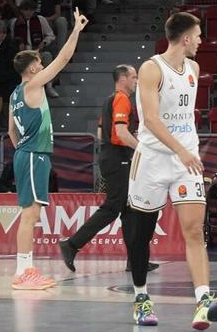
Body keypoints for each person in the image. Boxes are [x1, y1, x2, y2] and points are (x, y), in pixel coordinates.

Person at [123, 12, 217, 328]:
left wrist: (186, 151)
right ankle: (141, 298)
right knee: (141, 236)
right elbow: (151, 121)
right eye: (198, 35)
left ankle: (202, 300)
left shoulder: (194, 68)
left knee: (195, 230)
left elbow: (181, 114)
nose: (200, 40)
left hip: (186, 161)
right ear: (185, 38)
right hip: (153, 159)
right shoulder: (151, 69)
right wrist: (180, 150)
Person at [8, 5, 88, 290]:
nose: (43, 66)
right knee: (30, 216)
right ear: (32, 68)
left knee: (31, 214)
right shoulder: (32, 86)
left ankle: (25, 269)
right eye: (40, 64)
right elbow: (64, 59)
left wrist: (24, 150)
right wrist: (76, 30)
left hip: (27, 154)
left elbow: (10, 131)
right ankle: (23, 272)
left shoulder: (15, 94)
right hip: (32, 155)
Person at [59, 64, 157, 275]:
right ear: (122, 78)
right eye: (133, 77)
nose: (136, 81)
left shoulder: (109, 100)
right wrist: (142, 149)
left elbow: (101, 129)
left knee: (131, 210)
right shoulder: (121, 99)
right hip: (117, 158)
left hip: (112, 157)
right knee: (114, 207)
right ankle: (72, 244)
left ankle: (135, 259)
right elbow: (120, 133)